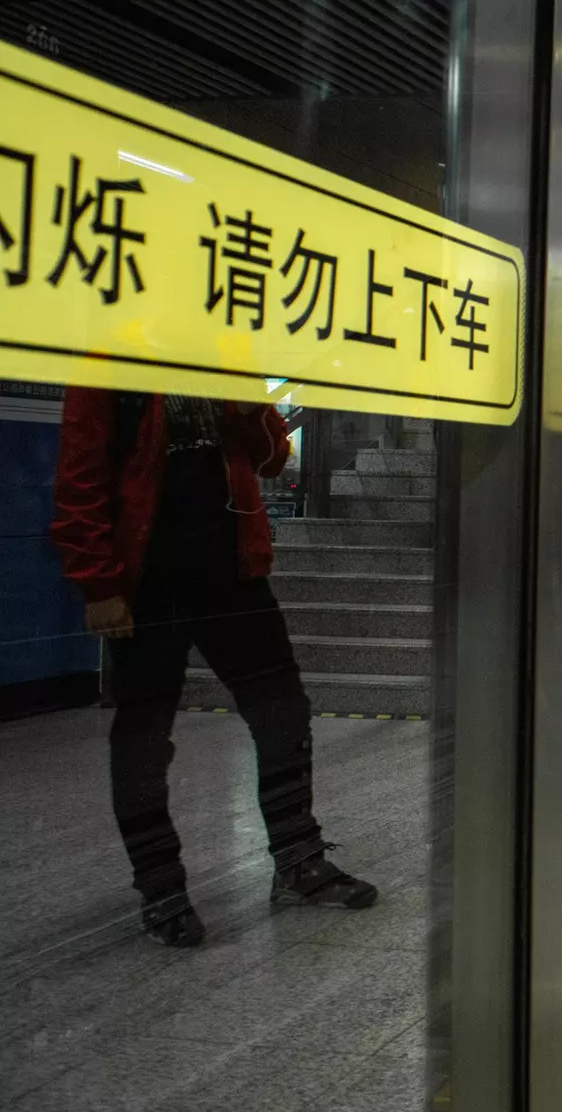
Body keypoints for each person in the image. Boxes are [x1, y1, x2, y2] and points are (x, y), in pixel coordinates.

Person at [51, 389, 378, 949]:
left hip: (232, 572)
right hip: (147, 581)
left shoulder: (222, 354)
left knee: (284, 716)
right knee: (144, 738)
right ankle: (162, 890)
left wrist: (252, 417)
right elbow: (79, 480)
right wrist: (99, 584)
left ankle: (299, 862)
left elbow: (272, 459)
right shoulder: (109, 369)